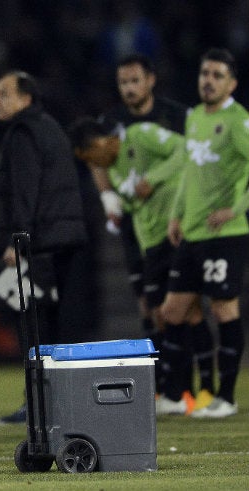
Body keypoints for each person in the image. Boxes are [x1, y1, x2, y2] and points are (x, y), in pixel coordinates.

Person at [68, 117, 213, 410]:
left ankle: (201, 390)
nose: (94, 165)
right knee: (161, 314)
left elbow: (185, 150)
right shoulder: (114, 170)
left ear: (99, 143)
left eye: (91, 158)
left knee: (187, 309)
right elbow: (136, 202)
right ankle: (180, 390)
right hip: (151, 245)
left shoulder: (139, 135)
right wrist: (122, 206)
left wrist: (154, 178)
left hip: (178, 233)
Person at [94, 55, 214, 406]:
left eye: (134, 81)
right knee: (150, 307)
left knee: (188, 305)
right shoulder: (111, 121)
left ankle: (201, 386)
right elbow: (97, 160)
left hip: (178, 221)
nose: (128, 88)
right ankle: (166, 385)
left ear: (151, 80)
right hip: (138, 225)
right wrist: (107, 199)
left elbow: (194, 155)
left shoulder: (177, 116)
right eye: (122, 83)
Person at [0, 71, 87, 424]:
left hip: (39, 244)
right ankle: (57, 401)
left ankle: (38, 403)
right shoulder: (49, 127)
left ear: (25, 98)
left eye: (4, 94)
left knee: (33, 327)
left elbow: (24, 190)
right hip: (63, 239)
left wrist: (18, 240)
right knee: (56, 327)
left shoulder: (22, 133)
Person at [156, 48, 249, 418]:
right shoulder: (194, 117)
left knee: (224, 307)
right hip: (192, 232)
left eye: (217, 75)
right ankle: (178, 395)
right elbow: (190, 173)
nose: (208, 80)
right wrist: (176, 215)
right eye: (204, 73)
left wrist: (236, 209)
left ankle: (225, 397)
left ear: (232, 83)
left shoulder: (239, 121)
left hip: (226, 233)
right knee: (172, 310)